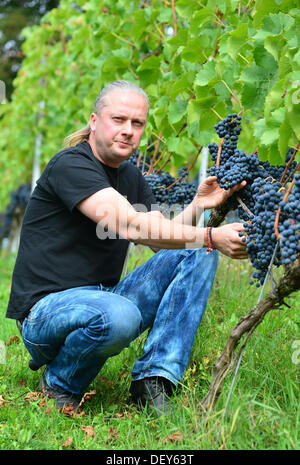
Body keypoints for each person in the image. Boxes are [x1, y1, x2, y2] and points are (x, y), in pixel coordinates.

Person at [6, 80, 247, 416]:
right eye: (118, 120)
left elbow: (158, 242)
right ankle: (61, 383)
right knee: (121, 313)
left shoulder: (130, 176)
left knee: (197, 252)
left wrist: (197, 205)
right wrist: (211, 235)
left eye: (137, 123)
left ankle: (154, 380)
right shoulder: (70, 165)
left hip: (103, 300)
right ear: (94, 121)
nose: (128, 131)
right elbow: (129, 224)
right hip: (44, 315)